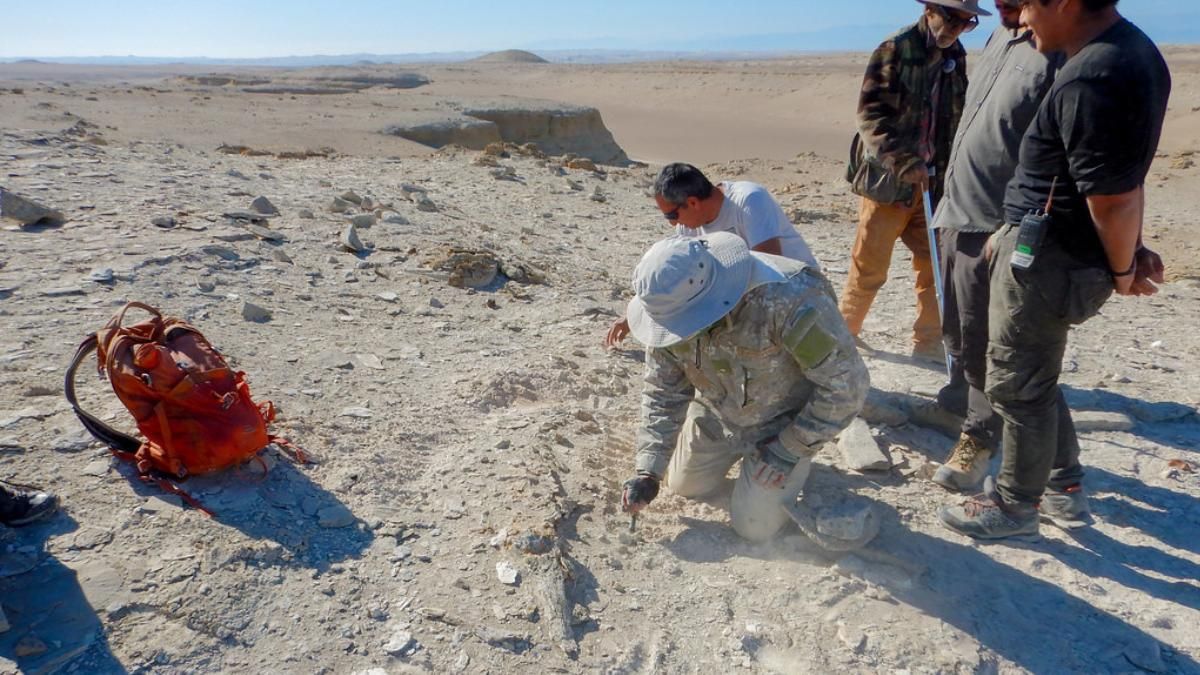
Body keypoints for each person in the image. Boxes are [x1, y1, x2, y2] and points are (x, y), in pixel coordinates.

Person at [940, 0, 1170, 540]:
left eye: (1029, 5)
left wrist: (1121, 267)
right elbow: (1115, 177)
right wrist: (1126, 250)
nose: (1021, 18)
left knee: (1017, 387)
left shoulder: (1093, 74)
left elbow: (1112, 196)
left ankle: (1016, 506)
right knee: (1031, 375)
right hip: (1050, 249)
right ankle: (1063, 487)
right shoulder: (1126, 54)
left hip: (1051, 260)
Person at [619, 232, 868, 542]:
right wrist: (648, 469)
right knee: (684, 486)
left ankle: (789, 471)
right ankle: (745, 468)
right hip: (719, 413)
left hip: (783, 425)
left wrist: (789, 448)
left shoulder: (789, 300)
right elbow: (663, 392)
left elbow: (846, 388)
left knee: (754, 528)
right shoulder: (667, 310)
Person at [929, 0, 1063, 491]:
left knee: (992, 344)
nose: (1003, 5)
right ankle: (965, 405)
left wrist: (1016, 233)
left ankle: (980, 439)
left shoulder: (1059, 49)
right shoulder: (996, 38)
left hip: (997, 226)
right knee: (960, 335)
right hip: (955, 211)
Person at [839, 0, 988, 361]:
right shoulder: (896, 48)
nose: (956, 29)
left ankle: (929, 344)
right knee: (869, 268)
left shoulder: (956, 55)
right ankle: (842, 338)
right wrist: (903, 161)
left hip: (934, 186)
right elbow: (870, 114)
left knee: (935, 268)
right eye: (952, 19)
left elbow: (956, 115)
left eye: (966, 23)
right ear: (931, 11)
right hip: (890, 183)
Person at [604, 163, 819, 347]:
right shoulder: (689, 223)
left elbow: (770, 267)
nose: (672, 223)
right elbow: (676, 269)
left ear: (693, 203)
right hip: (744, 292)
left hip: (796, 290)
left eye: (671, 215)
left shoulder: (749, 200)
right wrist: (634, 316)